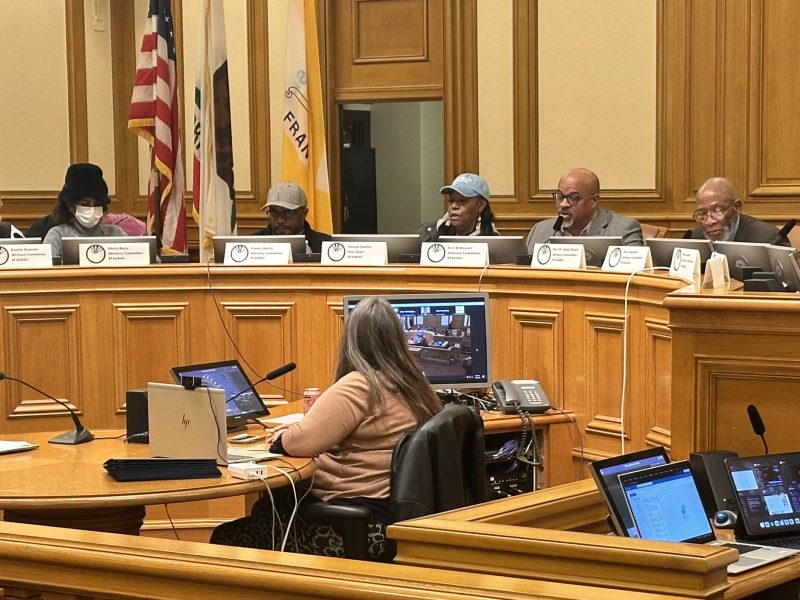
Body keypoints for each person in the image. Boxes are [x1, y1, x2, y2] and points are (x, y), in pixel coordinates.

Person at [210, 296, 442, 560]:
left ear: (351, 340)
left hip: (349, 525)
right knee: (267, 509)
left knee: (226, 537)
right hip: (386, 520)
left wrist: (284, 436)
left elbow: (299, 443)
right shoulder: (414, 385)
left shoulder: (361, 384)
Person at [525, 168, 643, 252]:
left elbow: (635, 275)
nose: (563, 204)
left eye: (573, 198)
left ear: (594, 201)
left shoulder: (622, 230)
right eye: (560, 196)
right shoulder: (540, 231)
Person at [43, 163, 125, 258]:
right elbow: (45, 269)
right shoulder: (57, 235)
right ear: (70, 206)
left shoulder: (115, 234)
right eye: (84, 204)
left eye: (97, 204)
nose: (92, 209)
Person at [689, 176, 787, 244]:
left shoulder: (768, 239)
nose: (709, 222)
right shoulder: (695, 238)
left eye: (717, 211)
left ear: (736, 207)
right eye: (702, 213)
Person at [418, 173, 498, 243]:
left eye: (462, 201)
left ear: (481, 205)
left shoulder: (493, 243)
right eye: (451, 201)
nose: (454, 206)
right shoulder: (430, 234)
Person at [253, 182, 331, 253]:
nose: (280, 220)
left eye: (288, 213)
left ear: (304, 213)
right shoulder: (251, 245)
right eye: (274, 214)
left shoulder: (326, 246)